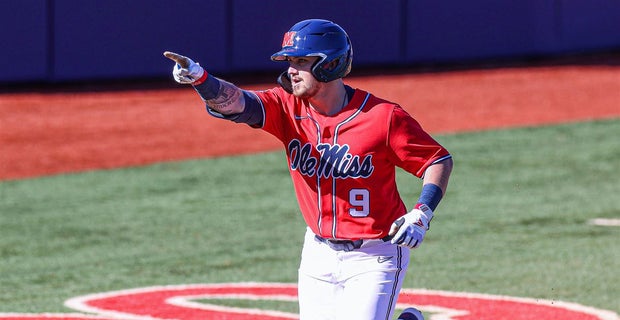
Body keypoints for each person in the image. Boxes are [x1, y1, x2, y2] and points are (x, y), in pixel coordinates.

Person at [164, 18, 452, 320]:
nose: (291, 70)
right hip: (318, 252)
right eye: (290, 61)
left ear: (330, 64)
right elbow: (238, 103)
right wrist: (200, 78)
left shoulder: (383, 117)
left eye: (301, 61)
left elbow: (437, 161)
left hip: (375, 254)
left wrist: (422, 212)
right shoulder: (286, 107)